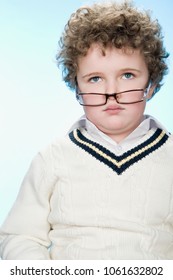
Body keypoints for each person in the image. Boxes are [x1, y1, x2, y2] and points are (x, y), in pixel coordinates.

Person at [0, 0, 172, 260]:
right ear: (76, 87)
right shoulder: (53, 157)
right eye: (95, 79)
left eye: (127, 75)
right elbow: (20, 236)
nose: (111, 92)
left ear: (151, 83)